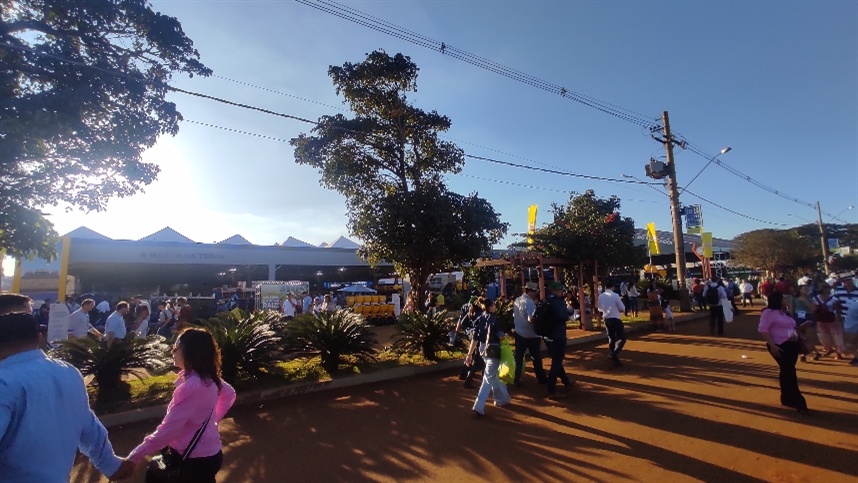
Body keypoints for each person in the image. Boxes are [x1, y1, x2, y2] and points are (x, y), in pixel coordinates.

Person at [0, 293, 134, 481]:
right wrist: (110, 465)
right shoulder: (69, 372)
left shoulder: (5, 381)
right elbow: (89, 426)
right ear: (39, 338)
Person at [127, 327, 237, 481]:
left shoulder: (192, 386)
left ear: (191, 353)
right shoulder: (207, 377)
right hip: (210, 455)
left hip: (193, 461)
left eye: (176, 348)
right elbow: (229, 394)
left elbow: (168, 430)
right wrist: (210, 422)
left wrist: (134, 457)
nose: (173, 352)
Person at [758, 291, 809, 415]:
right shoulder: (768, 313)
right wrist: (772, 345)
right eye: (785, 299)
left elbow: (791, 327)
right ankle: (798, 401)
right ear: (779, 300)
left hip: (792, 345)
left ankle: (786, 397)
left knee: (786, 370)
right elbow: (763, 329)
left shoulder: (785, 314)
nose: (787, 300)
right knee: (790, 371)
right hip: (780, 345)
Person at [464, 298, 510, 416]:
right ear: (490, 307)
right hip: (493, 350)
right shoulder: (495, 319)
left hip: (482, 350)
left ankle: (502, 399)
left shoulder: (480, 319)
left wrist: (469, 355)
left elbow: (475, 339)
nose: (495, 306)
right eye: (494, 304)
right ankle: (478, 406)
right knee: (488, 378)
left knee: (493, 375)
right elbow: (500, 336)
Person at [512, 282, 547, 386]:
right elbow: (531, 319)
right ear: (530, 291)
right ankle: (541, 379)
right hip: (531, 335)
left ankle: (516, 379)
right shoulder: (529, 302)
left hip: (519, 333)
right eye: (534, 291)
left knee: (518, 358)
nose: (535, 293)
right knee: (536, 358)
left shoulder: (517, 300)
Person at [544, 282, 572, 398]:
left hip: (547, 336)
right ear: (558, 291)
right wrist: (569, 310)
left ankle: (566, 381)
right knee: (556, 362)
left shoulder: (545, 301)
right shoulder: (558, 303)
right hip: (558, 336)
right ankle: (551, 389)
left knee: (556, 360)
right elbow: (564, 316)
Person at [598, 281, 626, 367]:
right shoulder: (615, 295)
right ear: (612, 287)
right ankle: (614, 354)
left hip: (606, 318)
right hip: (615, 318)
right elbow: (622, 308)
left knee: (611, 337)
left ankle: (614, 357)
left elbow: (599, 309)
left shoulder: (601, 296)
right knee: (622, 338)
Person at [814, 284, 845, 360]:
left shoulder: (834, 298)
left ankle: (838, 353)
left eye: (828, 288)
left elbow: (838, 308)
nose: (827, 289)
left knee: (837, 338)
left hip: (833, 320)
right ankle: (829, 349)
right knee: (823, 338)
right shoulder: (816, 298)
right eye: (825, 288)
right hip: (821, 320)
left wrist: (838, 316)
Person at [831, 275, 858, 365]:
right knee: (850, 339)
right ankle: (855, 357)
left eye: (849, 280)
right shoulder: (839, 291)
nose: (848, 282)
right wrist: (836, 315)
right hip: (844, 318)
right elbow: (835, 303)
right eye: (846, 281)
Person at [792, 285, 820, 362]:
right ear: (800, 290)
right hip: (798, 318)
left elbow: (813, 309)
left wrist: (806, 301)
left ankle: (811, 353)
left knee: (808, 336)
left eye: (807, 289)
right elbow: (792, 309)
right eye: (804, 289)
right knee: (801, 337)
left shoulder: (811, 299)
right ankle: (806, 354)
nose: (806, 290)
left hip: (808, 317)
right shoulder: (794, 299)